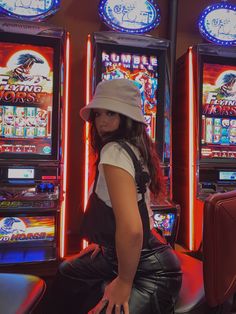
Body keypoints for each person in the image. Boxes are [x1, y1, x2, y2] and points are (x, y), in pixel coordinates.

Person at [46, 79, 182, 314]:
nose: (102, 121)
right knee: (68, 272)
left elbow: (132, 229)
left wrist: (124, 282)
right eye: (98, 114)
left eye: (111, 113)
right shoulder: (132, 147)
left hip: (149, 270)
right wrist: (106, 243)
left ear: (128, 118)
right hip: (127, 255)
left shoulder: (113, 152)